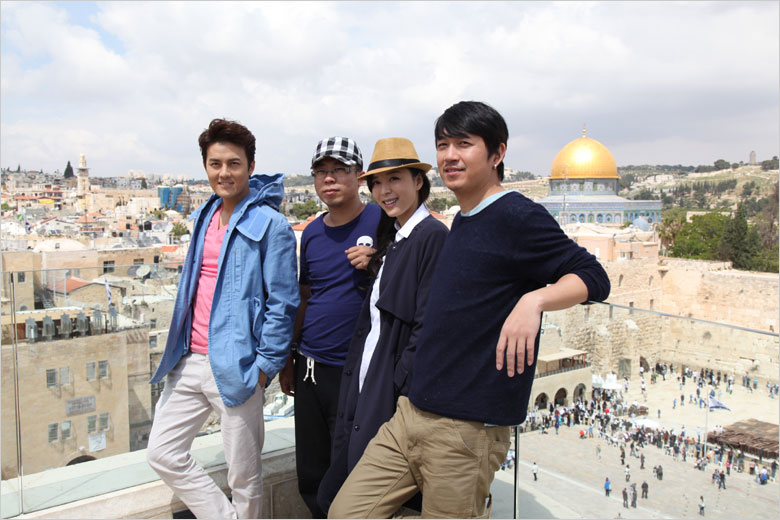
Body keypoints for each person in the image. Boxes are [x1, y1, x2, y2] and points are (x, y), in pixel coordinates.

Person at [328, 101, 610, 518]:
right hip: (411, 414)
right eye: (443, 144)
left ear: (497, 153)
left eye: (464, 143)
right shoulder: (463, 218)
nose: (450, 155)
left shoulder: (516, 215)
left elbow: (593, 276)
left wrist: (535, 301)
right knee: (346, 512)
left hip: (465, 429)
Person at [146, 119, 299, 518]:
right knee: (162, 452)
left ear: (250, 166)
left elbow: (283, 302)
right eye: (215, 164)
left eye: (234, 163)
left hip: (238, 365)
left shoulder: (272, 225)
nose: (224, 172)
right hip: (188, 359)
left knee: (244, 477)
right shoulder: (202, 216)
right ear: (205, 166)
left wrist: (264, 367)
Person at [317, 138, 448, 513]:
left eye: (395, 179)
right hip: (366, 386)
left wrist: (395, 386)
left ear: (418, 181)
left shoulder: (432, 237)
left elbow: (427, 326)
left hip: (387, 395)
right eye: (376, 183)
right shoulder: (397, 238)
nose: (384, 191)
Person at [279, 137, 380, 518]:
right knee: (311, 464)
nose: (329, 179)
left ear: (359, 176)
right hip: (310, 367)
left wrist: (378, 257)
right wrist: (289, 357)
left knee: (351, 464)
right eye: (322, 172)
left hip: (354, 370)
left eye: (339, 170)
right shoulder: (314, 231)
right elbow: (305, 297)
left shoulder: (380, 220)